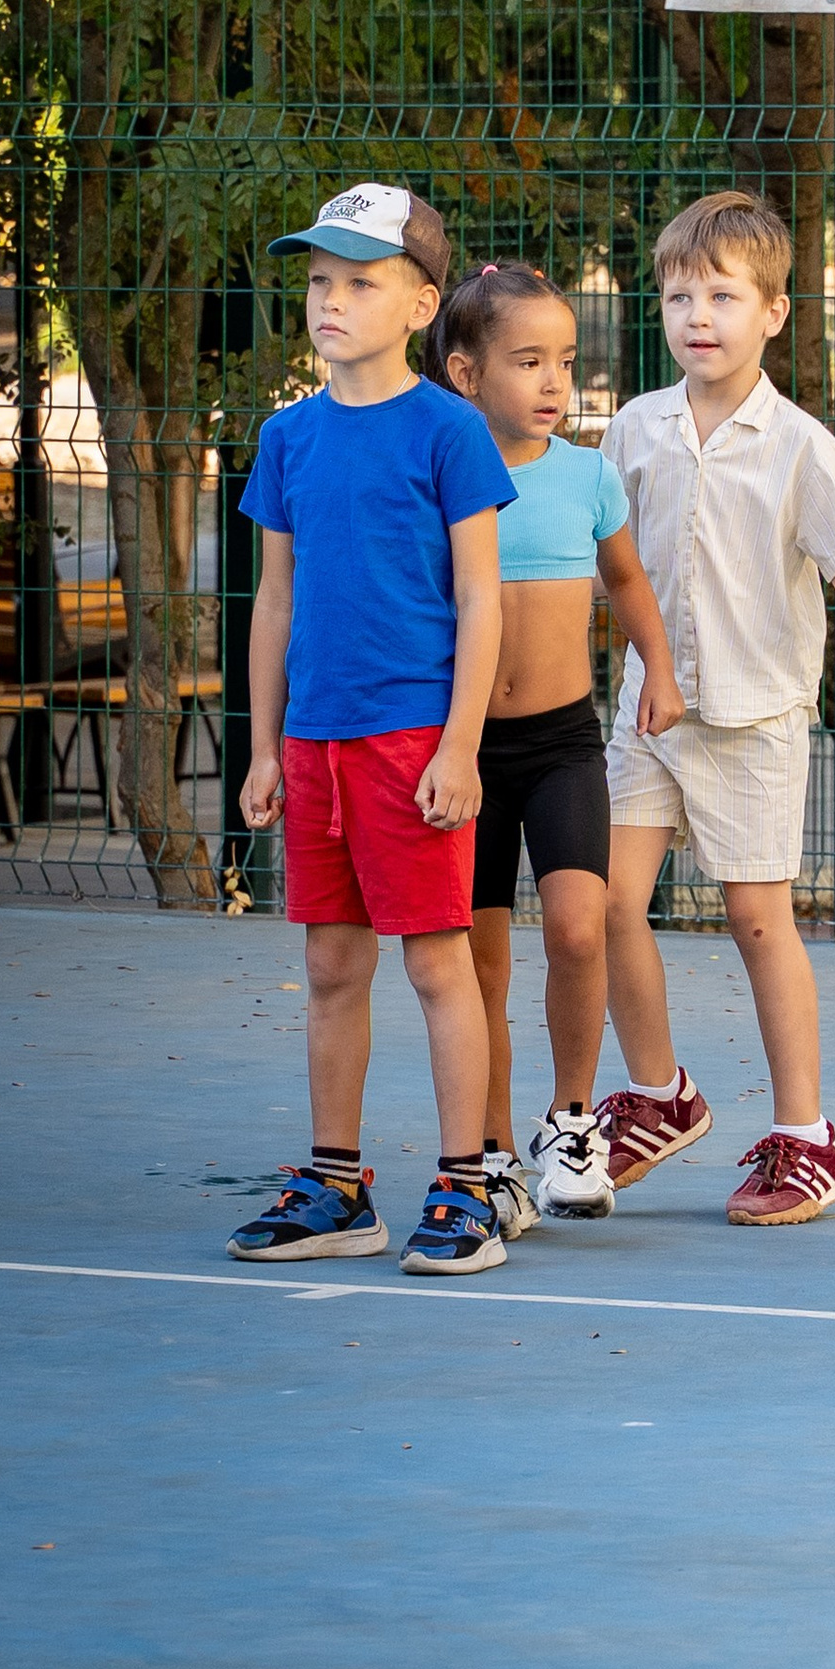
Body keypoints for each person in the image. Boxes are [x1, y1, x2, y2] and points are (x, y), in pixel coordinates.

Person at [597, 190, 835, 1227]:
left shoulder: (800, 445)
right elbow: (603, 561)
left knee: (758, 920)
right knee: (608, 904)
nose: (697, 314)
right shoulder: (632, 428)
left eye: (722, 294)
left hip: (753, 724)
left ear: (774, 313)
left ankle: (807, 1136)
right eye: (678, 295)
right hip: (648, 713)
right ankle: (660, 1097)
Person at [225, 185, 517, 1277]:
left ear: (420, 302)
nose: (331, 301)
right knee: (331, 962)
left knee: (439, 964)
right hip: (315, 746)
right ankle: (336, 1184)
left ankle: (468, 1184)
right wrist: (265, 747)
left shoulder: (448, 430)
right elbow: (274, 601)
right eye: (317, 282)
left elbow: (482, 598)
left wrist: (458, 745)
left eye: (359, 282)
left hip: (413, 741)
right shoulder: (287, 436)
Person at [432, 259, 682, 1232]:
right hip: (469, 752)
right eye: (527, 360)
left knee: (582, 925)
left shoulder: (587, 475)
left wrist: (656, 667)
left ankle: (571, 1126)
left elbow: (625, 582)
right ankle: (490, 1152)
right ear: (464, 374)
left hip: (565, 741)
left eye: (565, 362)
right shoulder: (443, 478)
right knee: (482, 964)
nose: (552, 383)